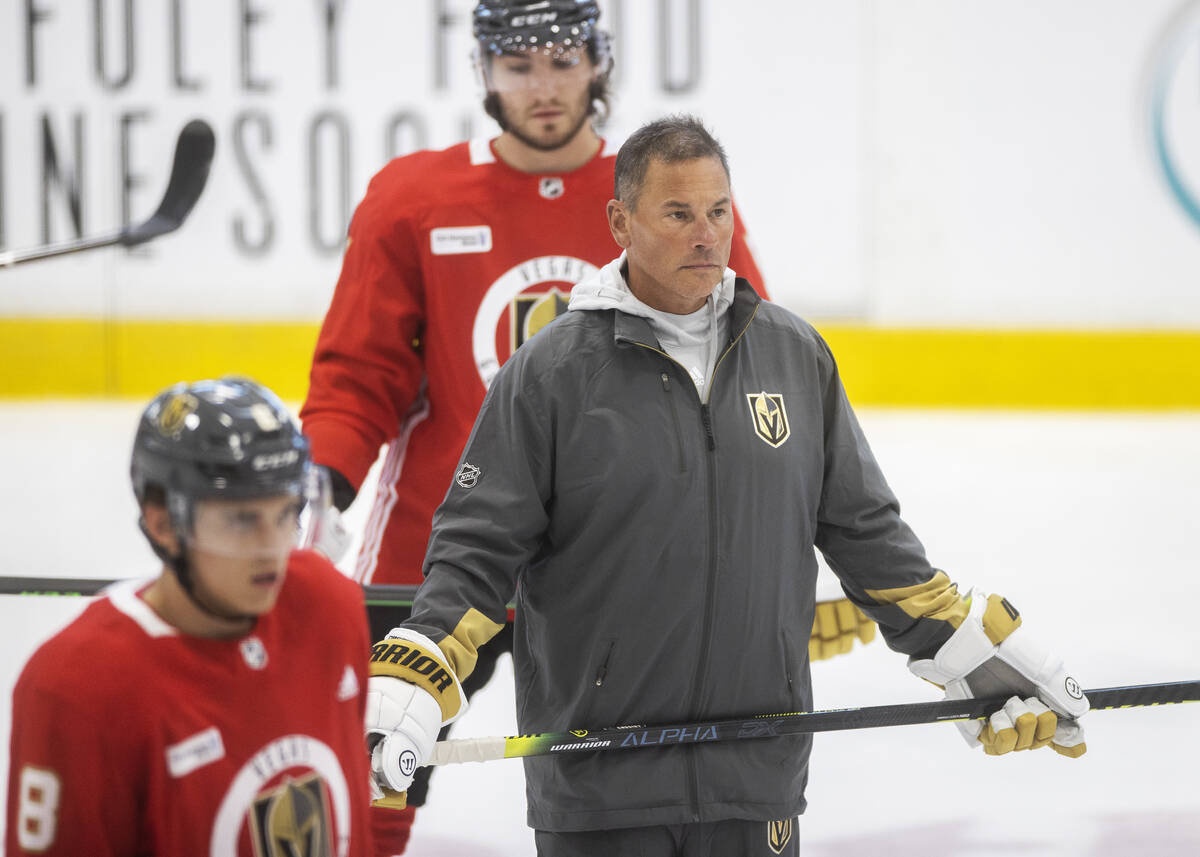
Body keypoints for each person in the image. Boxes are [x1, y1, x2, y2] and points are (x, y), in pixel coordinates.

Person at [360, 116, 1091, 857]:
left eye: (718, 212)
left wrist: (969, 650)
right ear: (621, 221)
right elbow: (476, 551)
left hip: (758, 774)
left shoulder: (791, 353)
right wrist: (419, 664)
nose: (706, 235)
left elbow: (868, 537)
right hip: (601, 788)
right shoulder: (550, 374)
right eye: (678, 214)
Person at [299, 2, 823, 851]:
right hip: (442, 557)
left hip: (614, 565)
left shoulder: (662, 194)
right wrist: (318, 481)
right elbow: (359, 377)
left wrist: (794, 551)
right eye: (517, 65)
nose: (542, 86)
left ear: (598, 62)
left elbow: (750, 369)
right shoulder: (414, 199)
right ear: (482, 70)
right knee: (364, 782)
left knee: (641, 800)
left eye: (560, 60)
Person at [5, 378, 375, 856]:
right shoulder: (76, 687)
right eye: (242, 520)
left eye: (286, 513)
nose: (271, 548)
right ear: (163, 522)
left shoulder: (329, 606)